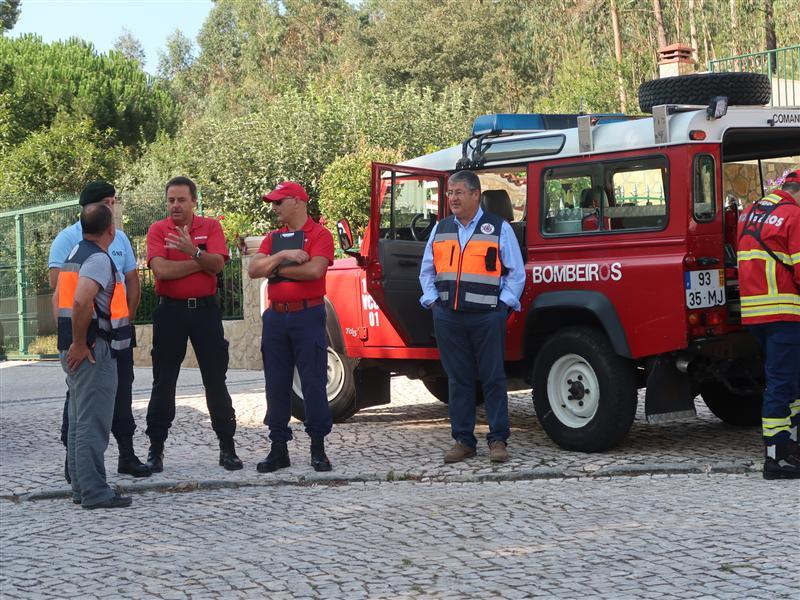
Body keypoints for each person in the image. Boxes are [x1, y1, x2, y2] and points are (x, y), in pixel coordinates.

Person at [419, 170, 525, 463]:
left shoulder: (498, 228)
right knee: (458, 380)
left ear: (476, 195)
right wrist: (433, 302)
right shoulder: (440, 229)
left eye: (459, 192)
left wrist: (502, 307)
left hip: (486, 317)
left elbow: (516, 273)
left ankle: (498, 439)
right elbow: (427, 271)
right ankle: (463, 440)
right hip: (449, 317)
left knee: (492, 378)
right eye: (450, 193)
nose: (452, 198)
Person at [48, 181, 149, 480]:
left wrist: (124, 319)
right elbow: (65, 295)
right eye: (111, 201)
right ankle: (82, 474)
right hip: (90, 341)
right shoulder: (71, 242)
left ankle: (123, 457)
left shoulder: (117, 239)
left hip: (115, 336)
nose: (115, 206)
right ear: (98, 207)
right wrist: (75, 340)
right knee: (84, 408)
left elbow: (131, 280)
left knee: (120, 395)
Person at [144, 176, 242, 472]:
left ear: (193, 202)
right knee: (164, 382)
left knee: (215, 380)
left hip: (204, 312)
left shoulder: (210, 227)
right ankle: (155, 449)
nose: (175, 205)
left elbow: (218, 265)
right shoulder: (157, 230)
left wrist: (194, 252)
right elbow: (160, 270)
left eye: (181, 200)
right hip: (170, 313)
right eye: (171, 200)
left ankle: (227, 448)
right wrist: (200, 261)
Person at [247, 181, 334, 473]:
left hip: (307, 315)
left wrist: (274, 269)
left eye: (279, 202)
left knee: (313, 382)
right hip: (276, 318)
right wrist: (283, 257)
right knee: (276, 383)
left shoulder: (320, 234)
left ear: (297, 201)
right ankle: (278, 448)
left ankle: (317, 448)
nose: (274, 208)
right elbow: (253, 270)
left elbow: (314, 270)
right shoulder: (274, 238)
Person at [53, 202, 133, 509]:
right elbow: (83, 302)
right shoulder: (98, 259)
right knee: (92, 421)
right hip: (92, 349)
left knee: (78, 419)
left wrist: (70, 343)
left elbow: (60, 300)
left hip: (74, 347)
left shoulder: (74, 255)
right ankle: (95, 492)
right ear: (111, 230)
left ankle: (81, 487)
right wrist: (79, 343)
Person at [737, 169, 800, 480]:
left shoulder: (752, 213)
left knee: (791, 381)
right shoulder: (793, 215)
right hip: (785, 313)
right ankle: (775, 458)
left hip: (755, 315)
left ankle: (791, 446)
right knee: (781, 385)